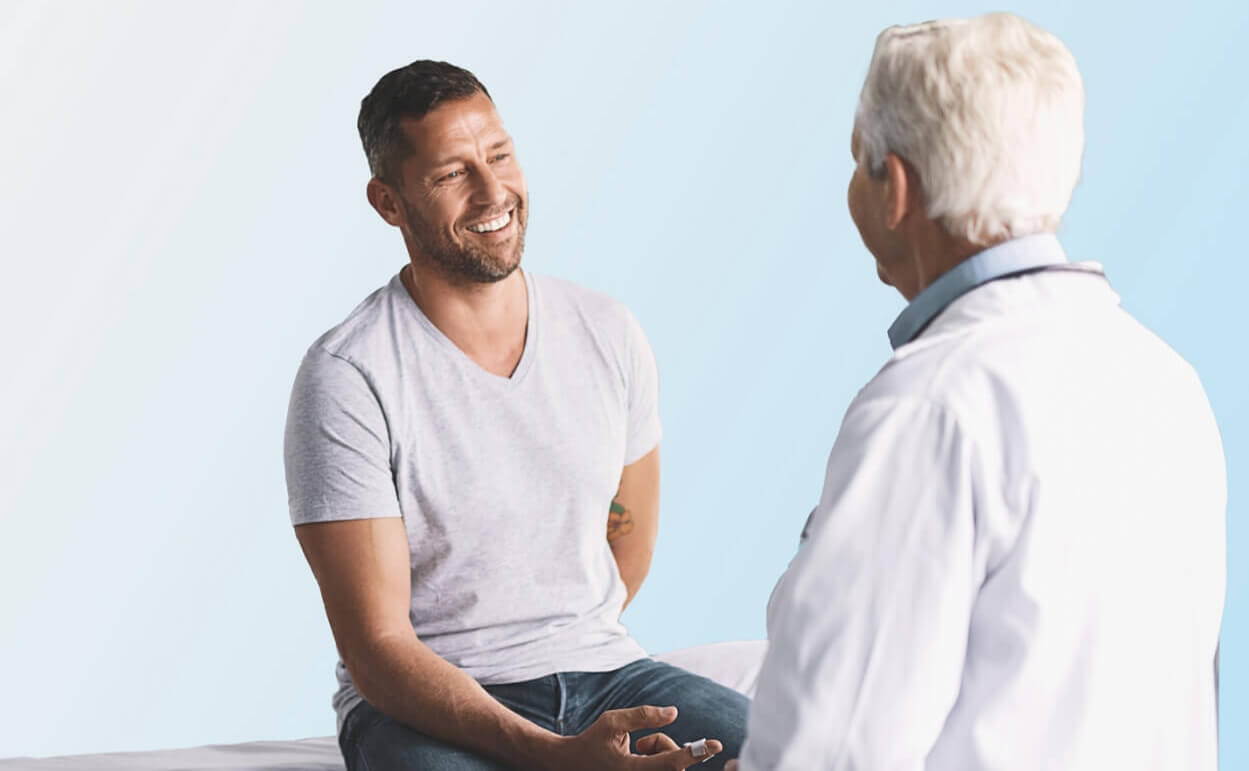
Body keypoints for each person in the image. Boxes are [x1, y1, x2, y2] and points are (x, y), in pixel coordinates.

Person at [730, 13, 1226, 771]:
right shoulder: (1167, 381)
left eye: (855, 161)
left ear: (892, 186)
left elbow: (831, 746)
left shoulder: (929, 403)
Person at [284, 60, 746, 770]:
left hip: (606, 672)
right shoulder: (349, 374)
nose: (493, 190)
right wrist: (551, 754)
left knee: (802, 751)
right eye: (450, 174)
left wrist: (566, 646)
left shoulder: (607, 330)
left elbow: (630, 541)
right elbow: (376, 648)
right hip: (424, 704)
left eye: (499, 155)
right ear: (389, 201)